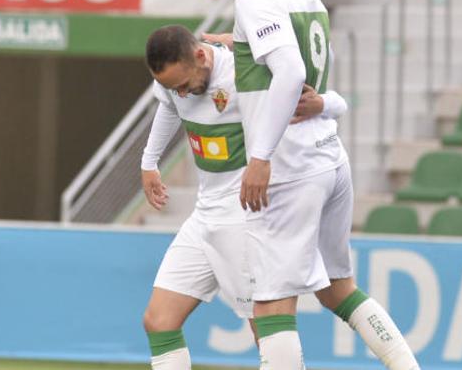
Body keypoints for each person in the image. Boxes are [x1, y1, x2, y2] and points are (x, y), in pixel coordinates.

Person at [200, 0, 419, 370]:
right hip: (328, 159)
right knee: (338, 288)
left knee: (271, 302)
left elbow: (290, 71)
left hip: (290, 169)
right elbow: (314, 78)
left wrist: (259, 158)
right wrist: (234, 45)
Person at [140, 25, 348, 368]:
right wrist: (149, 162)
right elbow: (167, 106)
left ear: (201, 55)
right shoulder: (173, 84)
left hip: (245, 216)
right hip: (205, 214)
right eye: (170, 87)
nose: (180, 93)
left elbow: (327, 100)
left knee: (266, 329)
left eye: (182, 84)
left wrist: (324, 103)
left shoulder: (246, 73)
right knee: (159, 321)